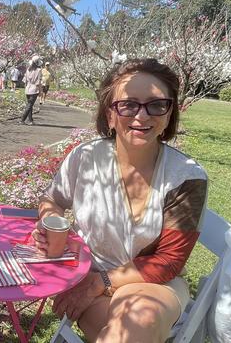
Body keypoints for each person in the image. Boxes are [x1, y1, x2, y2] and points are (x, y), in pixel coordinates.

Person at [32, 59, 208, 342]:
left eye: (156, 104)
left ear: (168, 114)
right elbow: (52, 199)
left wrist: (98, 283)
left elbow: (168, 261)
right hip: (88, 276)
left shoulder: (185, 178)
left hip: (151, 284)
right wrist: (50, 224)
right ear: (110, 115)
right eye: (128, 105)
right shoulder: (86, 158)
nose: (142, 116)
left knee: (139, 322)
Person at [19, 56, 42, 125]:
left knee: (30, 105)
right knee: (29, 105)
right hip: (34, 89)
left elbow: (24, 80)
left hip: (28, 88)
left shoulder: (28, 69)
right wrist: (40, 91)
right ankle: (22, 119)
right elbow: (38, 82)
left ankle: (30, 120)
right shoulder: (38, 71)